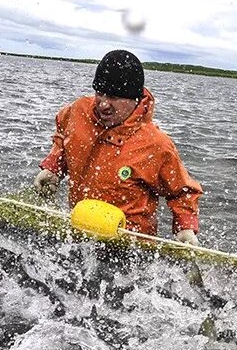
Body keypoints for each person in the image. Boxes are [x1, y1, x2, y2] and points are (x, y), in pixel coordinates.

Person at [33, 49, 202, 242]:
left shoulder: (156, 144)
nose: (103, 104)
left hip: (132, 249)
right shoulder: (77, 112)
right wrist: (54, 167)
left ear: (134, 99)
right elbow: (63, 137)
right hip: (80, 233)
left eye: (114, 97)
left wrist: (185, 228)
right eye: (100, 93)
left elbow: (182, 192)